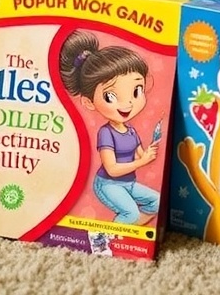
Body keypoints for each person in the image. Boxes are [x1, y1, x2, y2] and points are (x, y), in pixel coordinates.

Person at [59, 30, 160, 225]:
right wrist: (142, 161)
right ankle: (108, 240)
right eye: (111, 97)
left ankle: (130, 235)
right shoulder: (106, 133)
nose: (128, 104)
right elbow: (112, 169)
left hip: (128, 184)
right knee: (130, 214)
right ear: (89, 103)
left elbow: (140, 155)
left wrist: (149, 152)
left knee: (156, 202)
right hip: (108, 184)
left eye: (137, 91)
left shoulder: (130, 130)